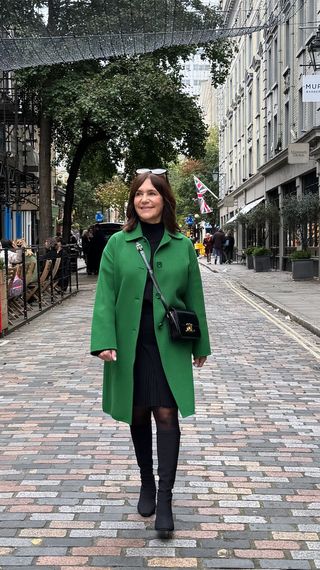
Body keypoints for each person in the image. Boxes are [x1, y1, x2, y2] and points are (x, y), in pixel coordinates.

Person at [91, 169, 211, 535]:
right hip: (131, 343)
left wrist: (200, 343)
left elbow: (194, 297)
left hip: (169, 344)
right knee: (138, 413)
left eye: (152, 193)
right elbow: (105, 297)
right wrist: (104, 340)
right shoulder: (119, 243)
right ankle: (146, 479)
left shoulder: (183, 244)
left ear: (164, 199)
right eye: (139, 194)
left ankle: (165, 498)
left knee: (166, 414)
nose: (144, 199)